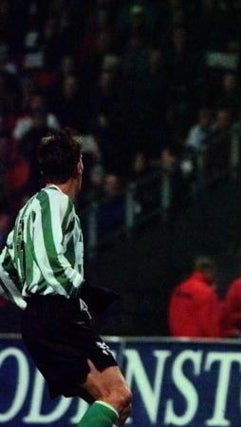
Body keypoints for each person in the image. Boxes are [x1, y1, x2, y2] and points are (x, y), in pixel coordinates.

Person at [0, 129, 132, 426]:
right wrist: (82, 292)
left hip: (45, 316)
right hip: (57, 315)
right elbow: (51, 259)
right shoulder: (55, 204)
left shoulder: (27, 212)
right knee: (117, 396)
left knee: (117, 405)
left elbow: (4, 269)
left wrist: (27, 304)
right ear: (80, 167)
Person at [168, 255, 222, 338]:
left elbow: (172, 314)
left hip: (177, 340)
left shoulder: (179, 289)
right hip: (199, 344)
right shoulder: (207, 293)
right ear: (208, 271)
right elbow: (209, 324)